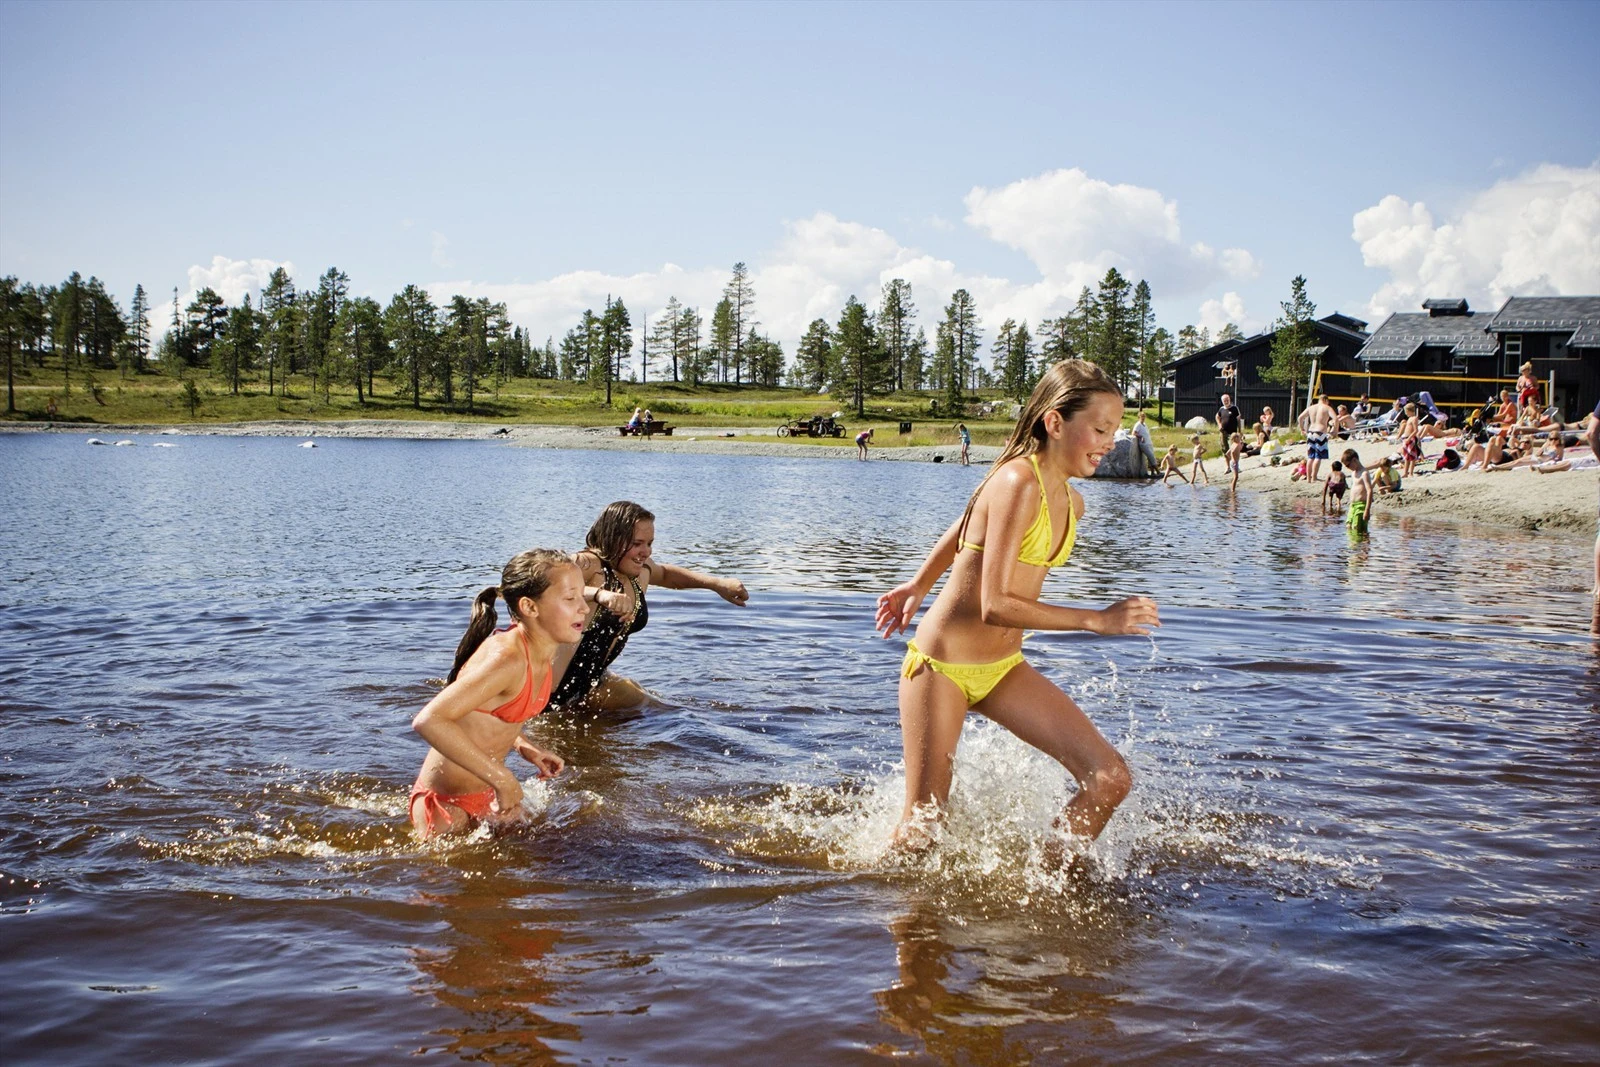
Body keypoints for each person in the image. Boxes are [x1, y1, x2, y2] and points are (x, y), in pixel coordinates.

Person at [874, 359, 1158, 858]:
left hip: (1002, 669)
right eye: (1099, 428)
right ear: (1054, 422)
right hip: (941, 668)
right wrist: (1095, 619)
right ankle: (887, 913)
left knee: (1109, 778)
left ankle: (1043, 877)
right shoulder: (1016, 481)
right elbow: (995, 604)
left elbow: (968, 526)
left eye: (1113, 430)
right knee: (922, 831)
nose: (1109, 442)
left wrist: (918, 584)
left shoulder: (1073, 502)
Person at [409, 550, 584, 840]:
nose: (583, 608)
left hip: (486, 795)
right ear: (529, 606)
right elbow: (429, 720)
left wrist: (526, 747)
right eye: (570, 599)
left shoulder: (542, 653)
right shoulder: (507, 659)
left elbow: (488, 716)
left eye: (582, 597)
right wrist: (503, 779)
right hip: (445, 805)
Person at [548, 501, 750, 713]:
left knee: (665, 710)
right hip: (546, 692)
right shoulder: (587, 565)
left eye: (649, 543)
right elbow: (536, 586)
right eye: (637, 543)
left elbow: (666, 575)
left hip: (593, 683)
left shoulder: (640, 571)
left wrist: (717, 584)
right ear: (612, 538)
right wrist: (599, 594)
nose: (645, 552)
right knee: (661, 711)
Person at [1298, 393, 1336, 482]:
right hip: (1320, 433)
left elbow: (1300, 418)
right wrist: (1335, 430)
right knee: (1318, 456)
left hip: (1310, 432)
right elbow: (1335, 418)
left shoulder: (1311, 408)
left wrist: (1302, 429)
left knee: (1310, 457)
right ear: (1326, 400)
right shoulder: (1327, 408)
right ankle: (1314, 477)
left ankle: (1308, 478)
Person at [1342, 449, 1374, 537]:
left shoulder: (1364, 473)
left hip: (1361, 506)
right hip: (1353, 505)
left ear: (1354, 460)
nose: (1348, 468)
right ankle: (1354, 549)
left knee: (1358, 528)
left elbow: (1369, 490)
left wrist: (1367, 510)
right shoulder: (1353, 473)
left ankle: (1363, 549)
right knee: (1349, 526)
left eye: (1348, 465)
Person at [1398, 402, 1423, 479]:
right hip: (1406, 438)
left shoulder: (1414, 418)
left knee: (1412, 457)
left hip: (1410, 438)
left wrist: (1409, 438)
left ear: (1409, 411)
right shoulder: (1409, 419)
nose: (1405, 413)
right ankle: (1405, 473)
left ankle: (1411, 473)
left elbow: (1415, 430)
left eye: (1406, 411)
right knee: (1406, 457)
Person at [1132, 411, 1158, 476]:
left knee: (1150, 458)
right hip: (1144, 444)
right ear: (1139, 417)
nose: (1143, 418)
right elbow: (1134, 433)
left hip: (1149, 443)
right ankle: (1158, 471)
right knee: (1151, 457)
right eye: (1142, 416)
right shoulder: (1138, 424)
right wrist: (1141, 437)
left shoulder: (1145, 424)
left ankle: (1152, 473)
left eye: (1144, 416)